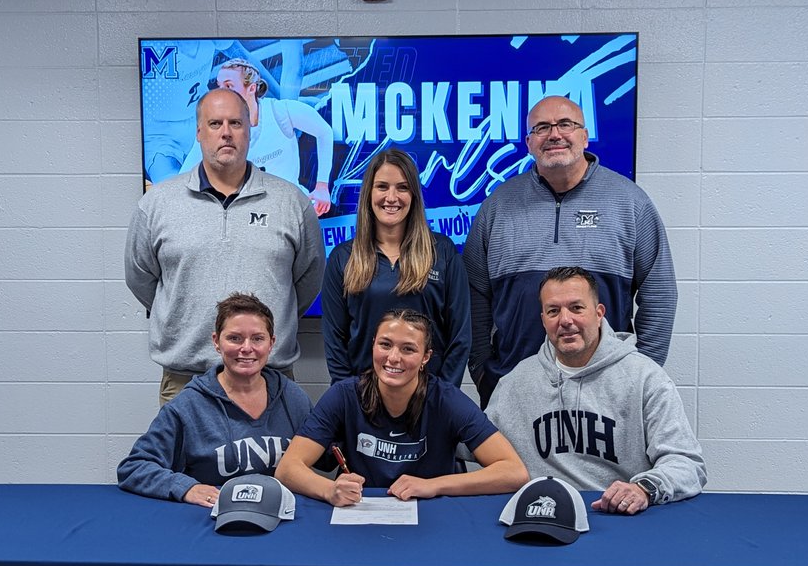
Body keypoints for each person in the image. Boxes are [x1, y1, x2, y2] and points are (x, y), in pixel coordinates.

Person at [463, 95, 677, 406]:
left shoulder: (630, 203)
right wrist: (483, 372)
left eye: (566, 124)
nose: (554, 135)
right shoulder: (498, 206)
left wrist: (641, 374)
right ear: (529, 142)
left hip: (608, 394)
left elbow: (659, 294)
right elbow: (473, 296)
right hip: (513, 390)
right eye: (542, 127)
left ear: (585, 136)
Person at [125, 88, 326, 405]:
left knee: (281, 458)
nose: (226, 133)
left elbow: (306, 281)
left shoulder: (292, 203)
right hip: (186, 382)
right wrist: (185, 311)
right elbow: (141, 278)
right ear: (199, 132)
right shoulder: (157, 205)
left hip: (269, 380)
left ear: (250, 129)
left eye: (236, 123)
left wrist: (274, 309)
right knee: (184, 458)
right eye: (215, 123)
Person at [486, 267, 705, 515]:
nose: (565, 320)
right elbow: (474, 444)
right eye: (553, 311)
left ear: (599, 313)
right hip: (540, 515)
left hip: (615, 515)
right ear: (543, 319)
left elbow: (688, 464)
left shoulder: (645, 378)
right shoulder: (515, 383)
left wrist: (643, 489)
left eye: (577, 308)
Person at [276, 309, 527, 505]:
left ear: (425, 358)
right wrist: (329, 490)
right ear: (373, 344)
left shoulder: (446, 400)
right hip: (364, 515)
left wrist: (435, 485)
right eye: (385, 344)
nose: (394, 358)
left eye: (408, 349)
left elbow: (513, 472)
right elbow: (288, 469)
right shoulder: (343, 395)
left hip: (432, 513)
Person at [117, 293, 313, 508]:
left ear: (271, 343)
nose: (246, 348)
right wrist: (185, 487)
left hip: (280, 514)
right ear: (216, 342)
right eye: (234, 338)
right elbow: (134, 467)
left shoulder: (293, 398)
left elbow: (329, 456)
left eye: (257, 338)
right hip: (215, 518)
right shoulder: (187, 406)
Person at [321, 148, 470, 386]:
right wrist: (350, 398)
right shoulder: (343, 258)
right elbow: (335, 340)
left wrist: (442, 397)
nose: (392, 197)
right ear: (369, 193)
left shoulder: (442, 252)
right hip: (363, 400)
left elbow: (460, 336)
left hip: (429, 399)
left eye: (402, 187)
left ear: (414, 195)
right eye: (382, 186)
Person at [178, 59, 336, 216]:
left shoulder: (280, 111)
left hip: (288, 211)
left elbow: (324, 132)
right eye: (219, 86)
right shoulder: (215, 129)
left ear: (252, 88)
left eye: (229, 86)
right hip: (245, 219)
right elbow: (183, 177)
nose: (222, 92)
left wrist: (322, 185)